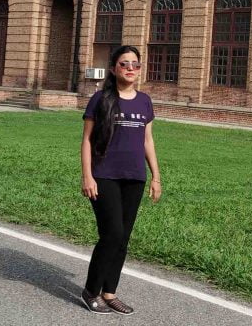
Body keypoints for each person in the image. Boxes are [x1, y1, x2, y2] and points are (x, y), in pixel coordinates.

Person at [80, 45, 161, 315]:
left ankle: (109, 292)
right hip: (104, 176)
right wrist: (87, 176)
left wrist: (155, 177)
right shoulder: (100, 99)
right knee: (112, 234)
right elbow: (87, 141)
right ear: (114, 69)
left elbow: (148, 141)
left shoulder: (145, 101)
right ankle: (91, 291)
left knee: (123, 238)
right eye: (124, 64)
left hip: (134, 177)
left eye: (135, 64)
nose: (130, 68)